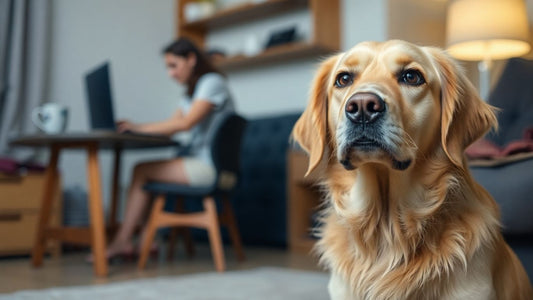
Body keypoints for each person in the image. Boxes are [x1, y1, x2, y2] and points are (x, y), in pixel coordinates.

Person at [91, 37, 235, 261]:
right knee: (148, 175)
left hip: (210, 167)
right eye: (168, 68)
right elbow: (171, 127)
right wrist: (133, 128)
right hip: (199, 163)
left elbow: (185, 124)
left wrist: (137, 127)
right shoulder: (190, 94)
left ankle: (122, 241)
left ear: (191, 59)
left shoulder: (212, 82)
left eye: (173, 66)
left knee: (141, 171)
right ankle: (149, 241)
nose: (170, 74)